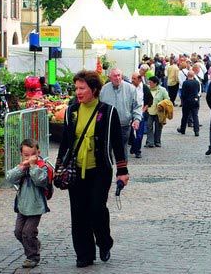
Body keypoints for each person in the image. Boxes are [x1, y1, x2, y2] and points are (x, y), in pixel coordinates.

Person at [56, 70, 129, 268]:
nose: (78, 92)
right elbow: (65, 143)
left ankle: (104, 242)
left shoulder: (108, 112)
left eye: (82, 88)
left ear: (94, 89)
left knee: (97, 209)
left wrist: (122, 171)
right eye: (76, 88)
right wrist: (59, 167)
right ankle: (84, 254)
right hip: (76, 170)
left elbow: (117, 144)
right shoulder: (71, 112)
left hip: (100, 170)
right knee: (78, 214)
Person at [5, 139, 49, 269]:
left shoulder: (42, 166)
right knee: (18, 232)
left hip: (36, 207)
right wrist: (22, 167)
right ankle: (34, 244)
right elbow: (10, 178)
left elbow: (41, 180)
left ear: (38, 153)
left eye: (32, 154)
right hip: (22, 206)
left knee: (28, 232)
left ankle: (32, 256)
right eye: (26, 155)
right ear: (22, 154)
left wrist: (34, 166)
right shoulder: (22, 167)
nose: (29, 158)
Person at [99, 68, 142, 157]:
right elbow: (99, 108)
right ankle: (108, 169)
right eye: (115, 76)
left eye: (119, 75)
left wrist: (137, 119)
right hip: (108, 126)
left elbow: (137, 106)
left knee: (122, 151)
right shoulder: (104, 90)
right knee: (106, 151)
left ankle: (122, 170)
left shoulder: (130, 89)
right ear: (110, 77)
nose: (117, 78)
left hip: (124, 126)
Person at [130, 73, 153, 158]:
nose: (132, 80)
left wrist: (143, 110)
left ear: (139, 79)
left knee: (139, 134)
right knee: (130, 133)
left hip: (140, 114)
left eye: (134, 78)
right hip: (130, 114)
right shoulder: (129, 87)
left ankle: (137, 151)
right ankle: (133, 146)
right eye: (132, 78)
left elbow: (150, 100)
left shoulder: (145, 88)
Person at [145, 76, 170, 148]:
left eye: (150, 82)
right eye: (149, 82)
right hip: (149, 111)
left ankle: (157, 141)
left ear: (155, 83)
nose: (149, 84)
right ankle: (150, 142)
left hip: (159, 112)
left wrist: (161, 104)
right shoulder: (147, 89)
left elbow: (167, 100)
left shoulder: (162, 90)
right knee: (149, 126)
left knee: (158, 127)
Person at [177, 71, 201, 136]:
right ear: (193, 76)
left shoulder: (185, 83)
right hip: (194, 101)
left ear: (187, 76)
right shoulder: (196, 82)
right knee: (195, 116)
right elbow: (198, 90)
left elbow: (183, 93)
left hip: (187, 101)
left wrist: (182, 100)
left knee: (185, 116)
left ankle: (183, 129)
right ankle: (196, 130)